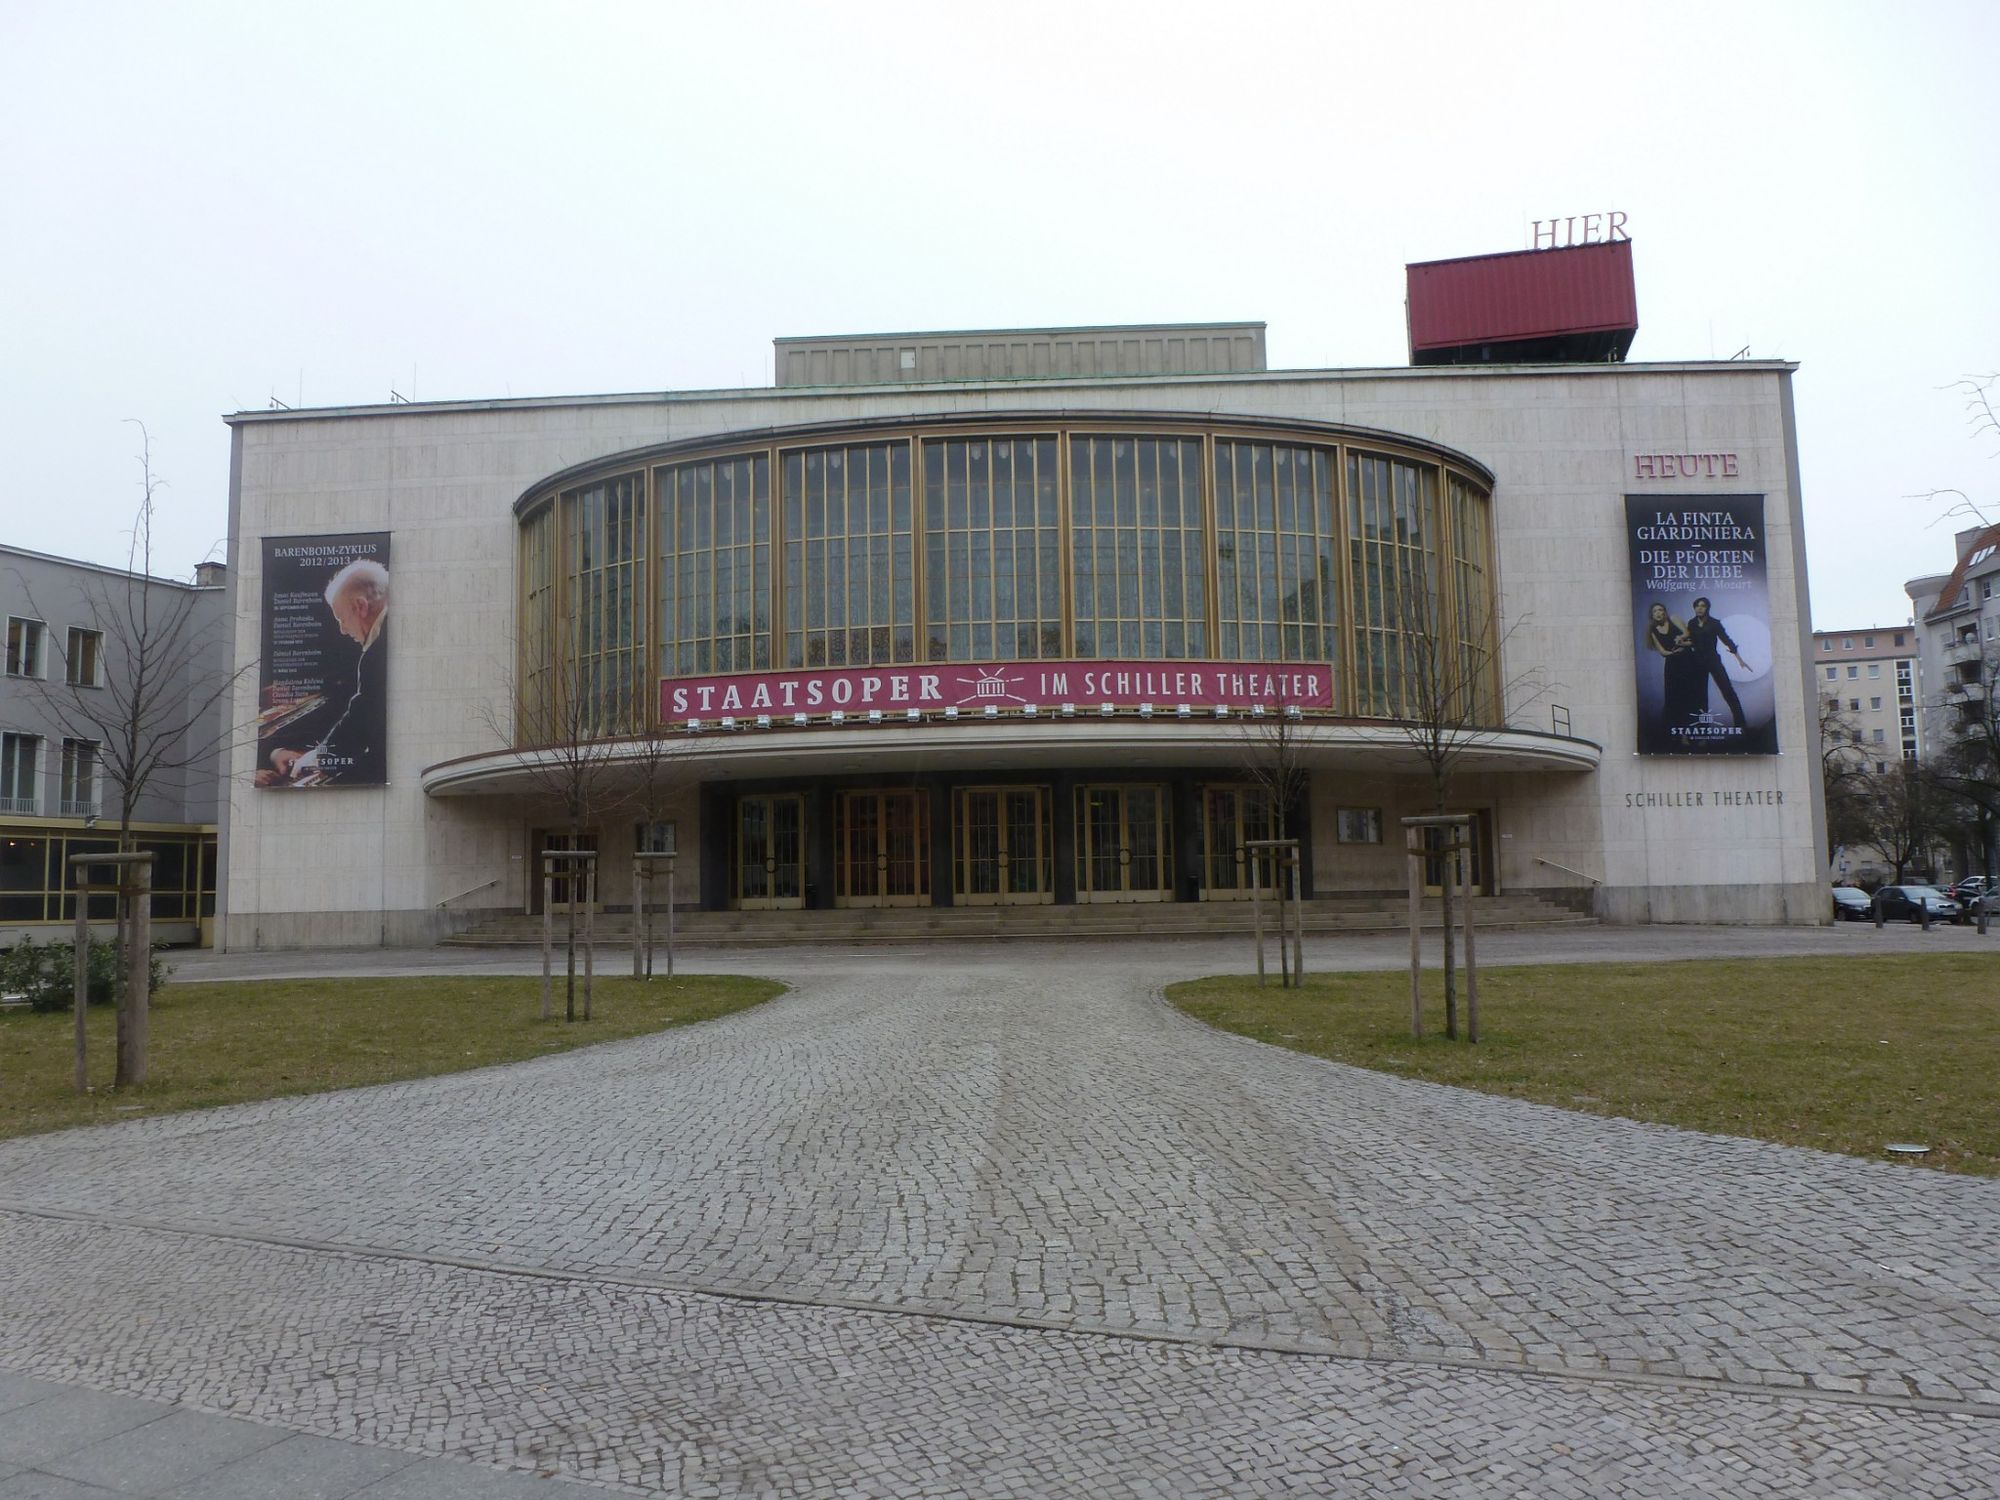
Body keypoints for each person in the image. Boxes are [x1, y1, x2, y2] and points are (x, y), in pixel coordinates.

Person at [258, 558, 389, 785]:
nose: (342, 630)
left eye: (342, 619)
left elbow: (362, 718)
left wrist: (319, 757)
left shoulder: (376, 652)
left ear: (361, 607)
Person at [1681, 595, 1750, 728]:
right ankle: (1702, 728)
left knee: (1727, 690)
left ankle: (1741, 724)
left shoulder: (1715, 623)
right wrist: (1682, 642)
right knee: (1700, 696)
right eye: (1697, 606)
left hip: (1713, 660)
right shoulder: (1692, 623)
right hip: (1697, 662)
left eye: (1703, 606)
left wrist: (1740, 659)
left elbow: (1726, 640)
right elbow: (1693, 642)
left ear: (1707, 608)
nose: (1699, 609)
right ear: (1694, 608)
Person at [1641, 601, 1703, 730]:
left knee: (1690, 696)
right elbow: (1662, 652)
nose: (1658, 613)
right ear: (1652, 615)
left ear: (1665, 612)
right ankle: (1678, 732)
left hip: (1687, 660)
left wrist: (1680, 638)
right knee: (1673, 698)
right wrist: (1673, 652)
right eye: (1655, 611)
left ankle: (1695, 730)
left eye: (1660, 610)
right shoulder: (1653, 631)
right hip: (1672, 664)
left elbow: (1687, 633)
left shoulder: (1674, 618)